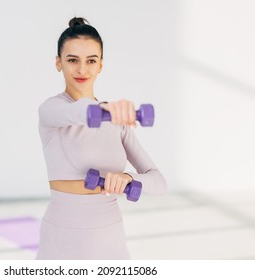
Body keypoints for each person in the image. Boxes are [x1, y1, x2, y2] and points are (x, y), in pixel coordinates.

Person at [36, 17, 167, 260]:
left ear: (101, 65)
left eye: (91, 61)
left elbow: (159, 182)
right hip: (62, 238)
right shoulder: (51, 110)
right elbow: (79, 112)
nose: (82, 69)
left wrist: (127, 178)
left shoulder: (117, 122)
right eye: (72, 60)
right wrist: (107, 109)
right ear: (58, 63)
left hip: (110, 239)